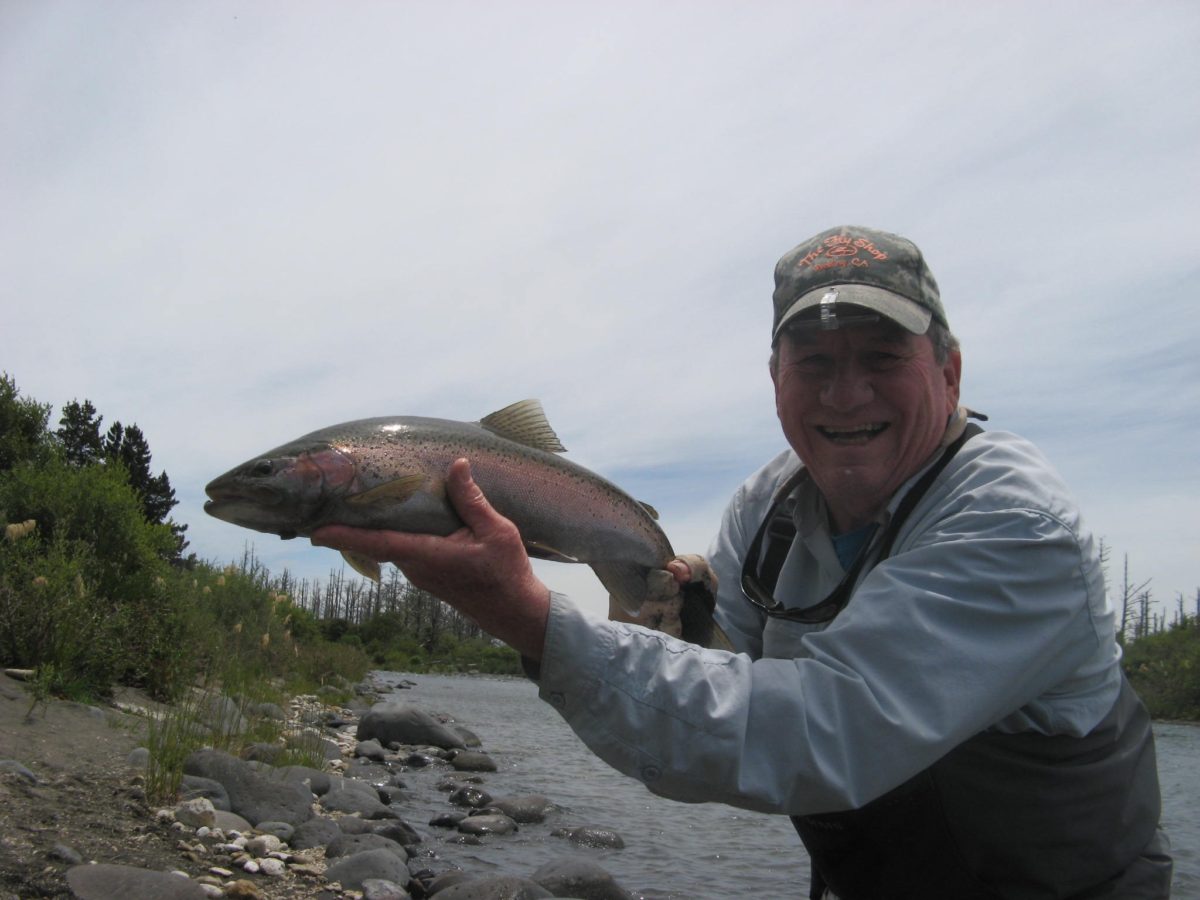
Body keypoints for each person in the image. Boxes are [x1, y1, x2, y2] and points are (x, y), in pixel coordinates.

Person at [312, 225, 1172, 899]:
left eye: (882, 358)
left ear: (948, 371)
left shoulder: (1014, 524)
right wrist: (681, 619)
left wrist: (526, 616)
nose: (845, 392)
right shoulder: (771, 505)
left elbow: (821, 736)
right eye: (814, 362)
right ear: (774, 378)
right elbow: (714, 685)